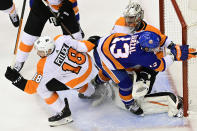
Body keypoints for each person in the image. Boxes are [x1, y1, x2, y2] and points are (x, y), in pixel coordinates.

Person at [85, 31, 196, 116]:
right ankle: (129, 104)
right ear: (145, 48)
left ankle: (96, 81)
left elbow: (161, 38)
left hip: (104, 42)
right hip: (104, 59)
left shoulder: (144, 36)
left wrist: (172, 46)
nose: (156, 49)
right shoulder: (142, 55)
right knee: (125, 83)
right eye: (152, 48)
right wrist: (174, 56)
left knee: (122, 69)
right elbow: (161, 66)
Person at [4, 35, 104, 126]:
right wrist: (93, 41)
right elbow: (85, 47)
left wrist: (16, 79)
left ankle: (63, 111)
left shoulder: (44, 65)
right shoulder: (60, 39)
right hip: (91, 67)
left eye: (41, 51)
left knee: (42, 89)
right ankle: (94, 92)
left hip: (78, 79)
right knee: (69, 75)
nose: (38, 53)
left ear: (48, 51)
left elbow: (31, 88)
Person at [13, 0, 84, 72]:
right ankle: (20, 60)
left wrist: (65, 8)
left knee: (75, 38)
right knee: (29, 35)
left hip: (63, 4)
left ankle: (79, 58)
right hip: (41, 4)